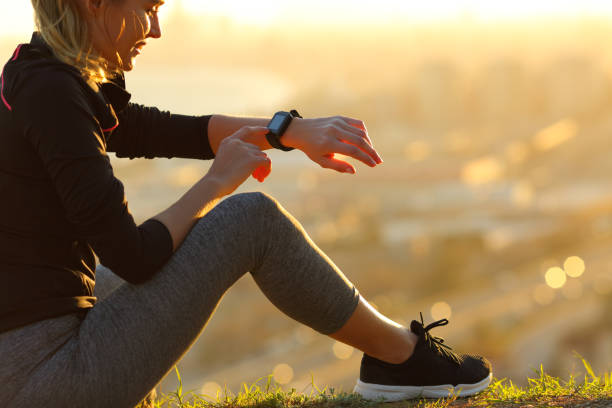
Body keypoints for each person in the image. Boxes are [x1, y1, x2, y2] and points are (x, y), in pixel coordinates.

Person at [0, 0, 492, 407]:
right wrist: (217, 182)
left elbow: (160, 128)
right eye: (147, 9)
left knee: (152, 261)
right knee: (250, 221)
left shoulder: (35, 72)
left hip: (31, 356)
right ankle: (400, 359)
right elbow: (133, 256)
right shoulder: (53, 94)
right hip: (44, 379)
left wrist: (288, 132)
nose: (156, 29)